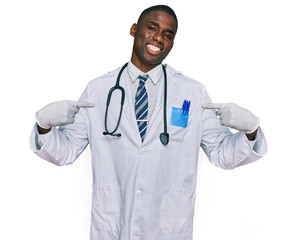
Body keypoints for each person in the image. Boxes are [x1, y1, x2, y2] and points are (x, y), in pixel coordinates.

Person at [30, 5, 267, 240]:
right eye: (152, 28)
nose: (158, 38)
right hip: (114, 226)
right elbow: (65, 151)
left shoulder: (191, 93)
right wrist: (44, 125)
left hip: (168, 227)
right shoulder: (99, 90)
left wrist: (250, 130)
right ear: (134, 29)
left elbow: (222, 154)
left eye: (167, 34)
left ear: (172, 43)